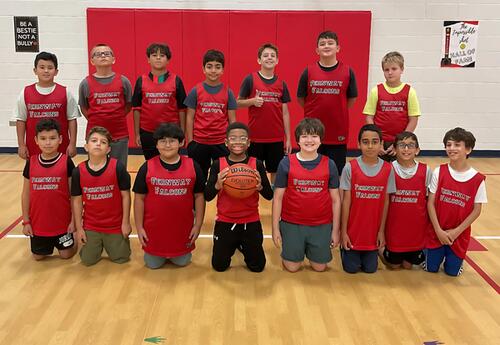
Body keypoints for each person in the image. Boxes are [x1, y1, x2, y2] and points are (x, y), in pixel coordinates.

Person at [272, 118, 341, 273]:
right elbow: (278, 198)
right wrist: (275, 228)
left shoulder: (329, 164)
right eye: (304, 136)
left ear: (321, 140)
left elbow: (336, 200)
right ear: (298, 140)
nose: (309, 140)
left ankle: (311, 251)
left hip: (321, 224)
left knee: (319, 267)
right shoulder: (286, 163)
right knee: (292, 267)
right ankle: (293, 251)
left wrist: (335, 230)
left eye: (314, 136)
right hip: (292, 222)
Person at [133, 123, 206, 269]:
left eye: (172, 141)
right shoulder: (146, 167)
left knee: (182, 262)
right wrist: (139, 227)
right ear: (157, 145)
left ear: (181, 143)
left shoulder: (193, 166)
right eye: (163, 141)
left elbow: (199, 197)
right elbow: (139, 199)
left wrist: (198, 224)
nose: (167, 145)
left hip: (182, 229)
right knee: (152, 264)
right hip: (154, 230)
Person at [205, 122, 272, 272]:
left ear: (248, 143)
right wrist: (217, 185)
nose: (238, 142)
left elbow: (269, 195)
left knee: (258, 267)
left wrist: (260, 186)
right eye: (233, 138)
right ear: (226, 142)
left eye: (242, 138)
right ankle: (234, 243)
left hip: (251, 221)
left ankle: (241, 244)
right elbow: (207, 196)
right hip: (225, 221)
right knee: (219, 266)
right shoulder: (218, 164)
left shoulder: (257, 164)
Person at [425, 127, 487, 276]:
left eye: (457, 145)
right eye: (448, 144)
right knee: (430, 268)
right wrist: (439, 230)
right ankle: (426, 249)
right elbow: (430, 203)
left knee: (452, 273)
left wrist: (455, 232)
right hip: (436, 232)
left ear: (468, 149)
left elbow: (476, 210)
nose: (451, 148)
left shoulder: (477, 179)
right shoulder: (439, 171)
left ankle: (457, 261)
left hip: (458, 235)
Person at [297, 31, 358, 175]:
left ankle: (335, 198)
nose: (326, 46)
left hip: (337, 130)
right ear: (317, 50)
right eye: (322, 44)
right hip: (312, 132)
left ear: (338, 48)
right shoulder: (308, 71)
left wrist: (337, 108)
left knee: (335, 172)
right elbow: (301, 98)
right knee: (311, 172)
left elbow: (351, 99)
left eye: (330, 43)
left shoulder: (348, 72)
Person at [340, 124, 396, 273]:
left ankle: (373, 251)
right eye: (365, 142)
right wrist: (343, 232)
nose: (370, 146)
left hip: (372, 234)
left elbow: (385, 202)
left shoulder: (388, 169)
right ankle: (344, 250)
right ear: (358, 144)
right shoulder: (350, 167)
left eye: (375, 142)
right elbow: (345, 202)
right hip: (353, 233)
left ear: (381, 144)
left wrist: (381, 231)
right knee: (351, 269)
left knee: (370, 269)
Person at [72, 126, 132, 266]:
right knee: (87, 260)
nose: (98, 143)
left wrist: (125, 223)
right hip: (92, 225)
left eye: (103, 142)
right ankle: (97, 244)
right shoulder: (78, 171)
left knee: (121, 258)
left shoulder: (118, 167)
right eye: (94, 140)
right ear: (86, 146)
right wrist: (79, 228)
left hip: (114, 224)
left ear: (109, 149)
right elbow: (76, 201)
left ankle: (112, 244)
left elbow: (126, 196)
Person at [21, 119, 76, 260]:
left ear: (60, 139)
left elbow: (75, 194)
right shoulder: (31, 163)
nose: (48, 143)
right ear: (36, 140)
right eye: (43, 138)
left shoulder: (66, 162)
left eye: (52, 138)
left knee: (66, 255)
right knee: (38, 257)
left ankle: (74, 237)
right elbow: (26, 194)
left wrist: (74, 221)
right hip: (39, 223)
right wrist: (26, 221)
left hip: (63, 222)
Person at [237, 43, 292, 184]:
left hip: (276, 138)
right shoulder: (250, 79)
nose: (269, 58)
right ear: (259, 60)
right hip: (256, 138)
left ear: (277, 60)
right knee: (254, 173)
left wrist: (289, 138)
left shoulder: (282, 84)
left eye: (272, 56)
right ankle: (253, 202)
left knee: (275, 172)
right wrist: (252, 101)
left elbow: (285, 113)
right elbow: (237, 103)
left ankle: (274, 202)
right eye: (266, 55)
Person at [14, 51, 79, 160]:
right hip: (33, 147)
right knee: (34, 176)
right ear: (35, 70)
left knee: (62, 175)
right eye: (42, 67)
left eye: (50, 67)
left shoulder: (65, 92)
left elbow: (72, 120)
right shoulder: (25, 92)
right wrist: (21, 145)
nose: (46, 71)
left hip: (60, 147)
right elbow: (21, 120)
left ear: (56, 71)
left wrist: (72, 144)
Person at [381, 131, 431, 269]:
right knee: (394, 266)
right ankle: (379, 249)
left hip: (415, 231)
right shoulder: (389, 169)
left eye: (410, 145)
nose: (406, 149)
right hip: (394, 231)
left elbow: (429, 202)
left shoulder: (426, 170)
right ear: (395, 149)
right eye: (402, 145)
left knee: (408, 266)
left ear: (417, 150)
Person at [184, 49, 237, 178]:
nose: (213, 70)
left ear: (223, 70)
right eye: (209, 66)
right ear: (203, 69)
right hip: (199, 142)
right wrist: (190, 141)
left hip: (221, 142)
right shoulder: (196, 91)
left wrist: (232, 141)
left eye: (217, 67)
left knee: (224, 179)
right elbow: (190, 117)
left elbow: (232, 121)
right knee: (199, 179)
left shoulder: (228, 92)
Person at [78, 44, 133, 167]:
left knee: (119, 169)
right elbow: (84, 108)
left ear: (113, 59)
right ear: (92, 61)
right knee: (96, 168)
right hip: (95, 134)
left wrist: (115, 116)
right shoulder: (85, 83)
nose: (103, 55)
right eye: (98, 54)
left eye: (107, 53)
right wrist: (98, 119)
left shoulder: (123, 81)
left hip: (119, 133)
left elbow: (128, 105)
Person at [132, 43, 187, 160]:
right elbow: (136, 109)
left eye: (162, 55)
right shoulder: (141, 81)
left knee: (171, 162)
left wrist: (182, 132)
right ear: (148, 59)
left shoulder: (176, 80)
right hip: (147, 132)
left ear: (168, 60)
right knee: (151, 164)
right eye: (154, 55)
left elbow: (182, 109)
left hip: (171, 132)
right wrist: (137, 133)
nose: (158, 58)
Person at [363, 51, 421, 161]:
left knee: (399, 174)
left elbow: (413, 120)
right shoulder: (376, 91)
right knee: (379, 173)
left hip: (401, 141)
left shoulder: (410, 91)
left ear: (402, 69)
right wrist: (377, 140)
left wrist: (400, 142)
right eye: (386, 70)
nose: (390, 72)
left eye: (394, 69)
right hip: (380, 141)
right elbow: (369, 117)